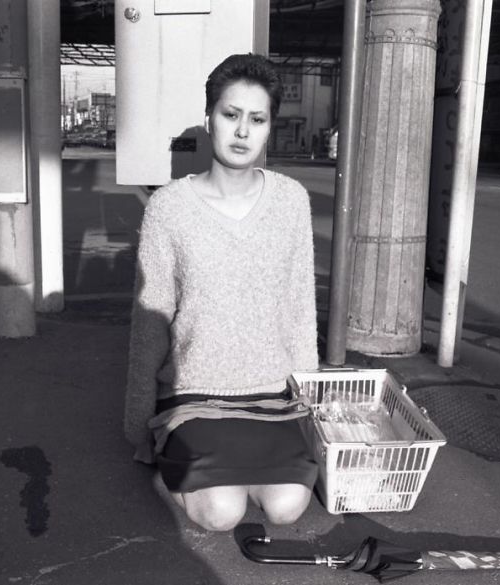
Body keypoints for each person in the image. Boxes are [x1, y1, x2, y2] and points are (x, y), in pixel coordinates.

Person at [125, 54, 320, 532]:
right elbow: (151, 319)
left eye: (257, 119)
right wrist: (137, 423)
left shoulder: (292, 200)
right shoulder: (168, 208)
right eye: (230, 115)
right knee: (221, 513)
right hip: (195, 395)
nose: (241, 132)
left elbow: (300, 308)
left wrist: (311, 405)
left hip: (271, 397)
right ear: (210, 117)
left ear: (270, 127)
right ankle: (212, 477)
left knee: (286, 508)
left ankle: (240, 474)